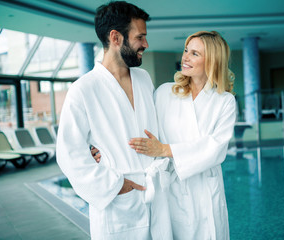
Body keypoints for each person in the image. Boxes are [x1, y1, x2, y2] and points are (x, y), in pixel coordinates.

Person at [96, 31, 236, 239]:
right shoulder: (165, 93)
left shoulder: (224, 101)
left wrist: (165, 149)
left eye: (195, 54)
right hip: (172, 190)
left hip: (206, 191)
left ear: (213, 61)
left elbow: (215, 148)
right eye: (186, 50)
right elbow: (140, 127)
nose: (185, 58)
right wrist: (104, 148)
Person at [56, 1, 172, 239]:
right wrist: (115, 185)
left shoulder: (143, 78)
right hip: (119, 202)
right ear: (116, 37)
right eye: (140, 37)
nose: (146, 44)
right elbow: (69, 154)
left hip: (156, 195)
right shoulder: (83, 89)